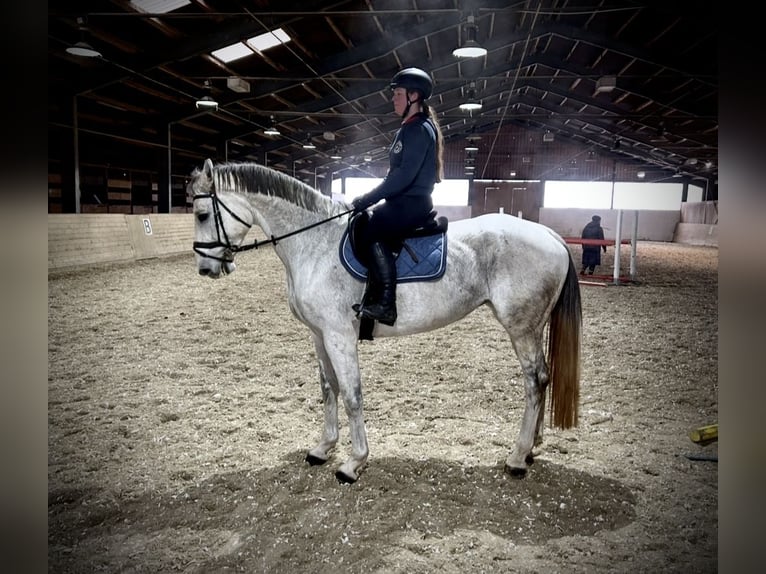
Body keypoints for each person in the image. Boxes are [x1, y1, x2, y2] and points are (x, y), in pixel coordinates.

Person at [350, 67, 445, 326]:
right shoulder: (409, 128)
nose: (393, 98)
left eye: (398, 93)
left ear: (414, 96)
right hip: (403, 201)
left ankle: (385, 303)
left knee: (370, 229)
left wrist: (368, 198)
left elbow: (402, 177)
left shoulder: (418, 129)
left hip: (411, 202)